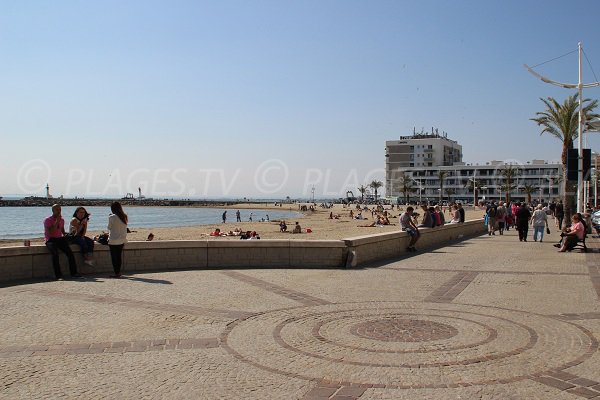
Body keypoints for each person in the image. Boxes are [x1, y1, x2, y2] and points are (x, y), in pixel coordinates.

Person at [44, 204, 81, 280]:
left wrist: (68, 233)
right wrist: (57, 221)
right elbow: (51, 231)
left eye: (60, 209)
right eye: (57, 210)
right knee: (55, 255)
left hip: (59, 239)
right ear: (53, 210)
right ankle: (58, 275)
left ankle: (74, 273)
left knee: (70, 253)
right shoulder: (48, 220)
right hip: (50, 239)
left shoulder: (62, 220)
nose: (59, 211)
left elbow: (62, 231)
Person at [108, 201, 128, 278]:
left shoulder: (112, 217)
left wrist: (109, 217)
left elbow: (109, 227)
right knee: (118, 256)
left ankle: (116, 273)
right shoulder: (124, 216)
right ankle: (118, 272)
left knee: (114, 257)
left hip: (113, 240)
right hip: (122, 239)